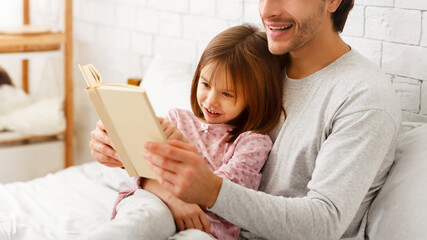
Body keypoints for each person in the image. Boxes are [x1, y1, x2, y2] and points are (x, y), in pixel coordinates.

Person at [93, 0, 402, 239]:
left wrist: (208, 190)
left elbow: (323, 222)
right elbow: (197, 146)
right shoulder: (258, 67)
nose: (267, 10)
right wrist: (126, 154)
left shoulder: (364, 98)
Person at [88, 24, 284, 240]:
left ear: (255, 97)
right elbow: (145, 173)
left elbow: (222, 195)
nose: (210, 101)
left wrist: (184, 147)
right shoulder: (178, 119)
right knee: (144, 218)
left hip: (205, 226)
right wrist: (174, 201)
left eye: (227, 94)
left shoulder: (253, 142)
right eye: (206, 84)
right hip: (155, 201)